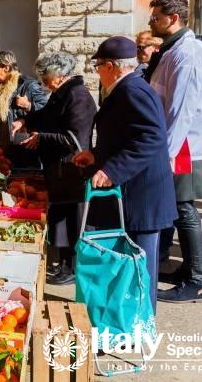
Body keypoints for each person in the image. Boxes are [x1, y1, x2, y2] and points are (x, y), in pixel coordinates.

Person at [73, 36, 178, 313]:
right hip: (137, 192)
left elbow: (151, 137)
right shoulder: (125, 88)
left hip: (143, 196)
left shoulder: (133, 90)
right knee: (130, 265)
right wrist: (97, 155)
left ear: (111, 66)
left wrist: (111, 169)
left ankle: (139, 326)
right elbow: (125, 135)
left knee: (139, 267)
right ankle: (126, 322)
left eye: (97, 66)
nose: (96, 71)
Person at [145, 0, 202, 303]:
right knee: (181, 208)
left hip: (187, 144)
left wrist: (166, 154)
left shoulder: (187, 55)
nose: (151, 22)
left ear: (174, 18)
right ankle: (187, 269)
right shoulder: (175, 51)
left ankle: (196, 281)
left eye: (156, 17)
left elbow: (181, 109)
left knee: (184, 208)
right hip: (185, 141)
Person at [15, 52, 96, 285]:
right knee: (62, 217)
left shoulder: (77, 96)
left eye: (45, 76)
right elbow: (46, 116)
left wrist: (41, 137)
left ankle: (72, 268)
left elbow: (75, 138)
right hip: (60, 170)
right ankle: (64, 264)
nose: (42, 82)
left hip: (72, 169)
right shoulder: (61, 93)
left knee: (73, 219)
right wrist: (26, 121)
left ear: (59, 75)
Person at [0, 51, 47, 167]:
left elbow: (46, 111)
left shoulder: (28, 85)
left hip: (21, 149)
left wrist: (28, 106)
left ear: (6, 68)